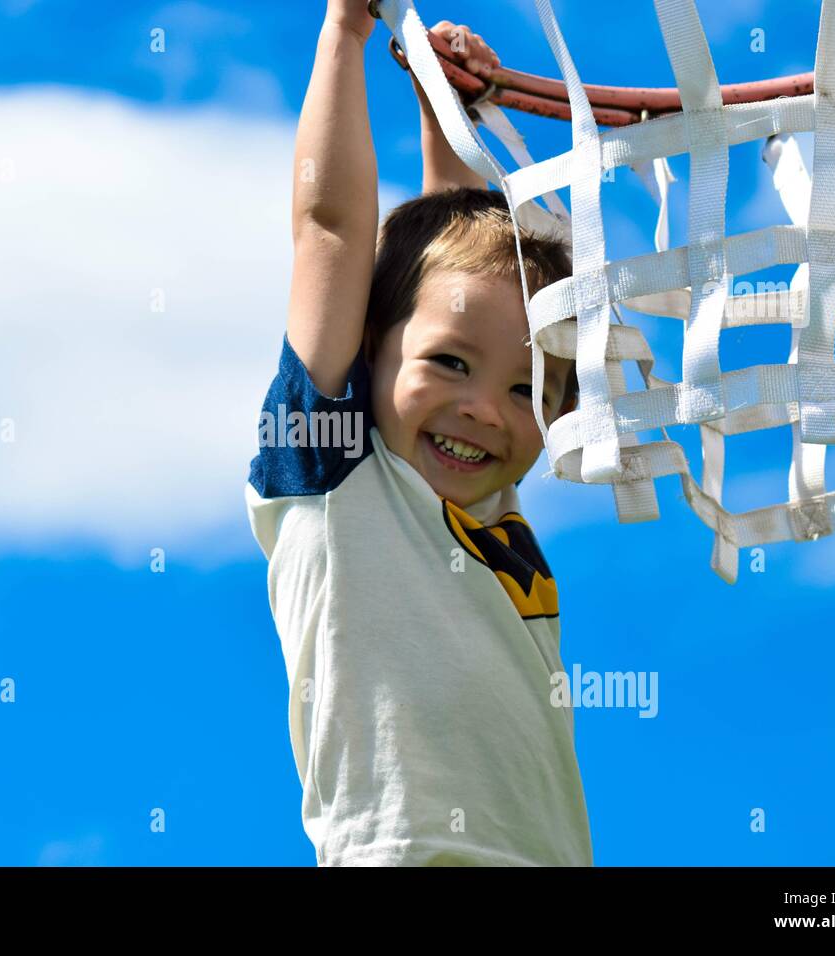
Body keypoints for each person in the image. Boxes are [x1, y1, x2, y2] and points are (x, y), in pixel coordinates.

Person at [244, 2, 591, 866]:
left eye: (527, 390)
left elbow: (451, 277)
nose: (486, 409)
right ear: (367, 347)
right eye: (449, 367)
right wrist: (345, 34)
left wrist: (445, 110)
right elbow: (329, 234)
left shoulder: (487, 513)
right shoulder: (338, 477)